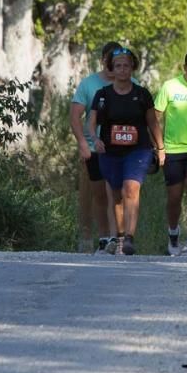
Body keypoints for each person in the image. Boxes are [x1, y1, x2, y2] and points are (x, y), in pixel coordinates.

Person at [85, 47, 163, 256]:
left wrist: (161, 148)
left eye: (126, 65)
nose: (122, 69)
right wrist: (95, 139)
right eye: (118, 66)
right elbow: (91, 123)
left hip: (138, 150)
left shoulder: (142, 94)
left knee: (131, 189)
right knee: (116, 195)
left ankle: (129, 238)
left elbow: (152, 123)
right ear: (111, 69)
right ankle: (118, 236)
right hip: (110, 151)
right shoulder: (103, 95)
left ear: (132, 68)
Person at [70, 41, 133, 255]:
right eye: (109, 62)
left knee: (121, 194)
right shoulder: (89, 85)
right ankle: (104, 239)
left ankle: (120, 239)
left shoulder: (132, 83)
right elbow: (75, 116)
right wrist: (82, 143)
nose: (113, 67)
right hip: (95, 149)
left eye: (117, 62)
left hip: (123, 149)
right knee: (99, 195)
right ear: (104, 61)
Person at [154, 50, 187, 256]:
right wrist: (158, 147)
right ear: (184, 68)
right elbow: (155, 117)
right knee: (174, 197)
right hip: (173, 149)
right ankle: (174, 232)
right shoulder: (170, 86)